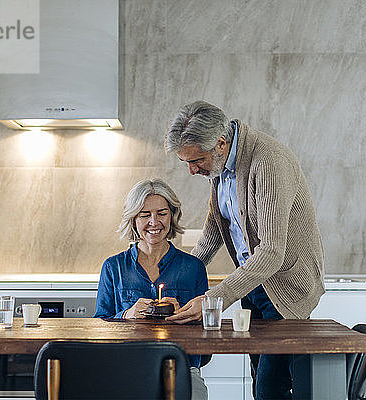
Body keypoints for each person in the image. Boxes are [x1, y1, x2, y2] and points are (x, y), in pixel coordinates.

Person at [165, 101, 325, 399]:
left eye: (196, 160)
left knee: (270, 387)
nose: (191, 170)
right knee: (259, 379)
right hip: (253, 284)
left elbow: (272, 252)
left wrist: (213, 299)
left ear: (220, 144)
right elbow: (215, 228)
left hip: (285, 286)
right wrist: (179, 276)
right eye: (185, 161)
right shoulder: (222, 167)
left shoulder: (268, 161)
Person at [94, 178, 209, 400]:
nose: (154, 222)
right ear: (134, 219)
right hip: (127, 369)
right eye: (145, 215)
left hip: (182, 368)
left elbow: (205, 339)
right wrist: (127, 314)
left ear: (172, 216)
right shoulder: (113, 267)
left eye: (162, 213)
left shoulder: (193, 268)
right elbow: (100, 325)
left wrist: (183, 315)